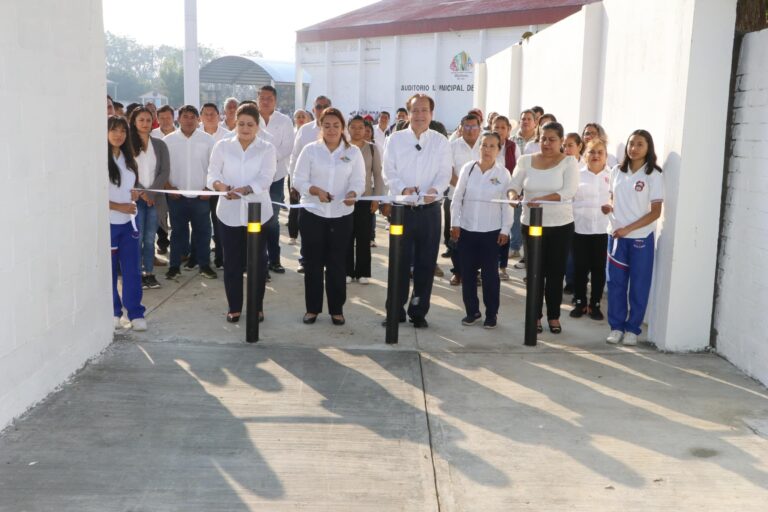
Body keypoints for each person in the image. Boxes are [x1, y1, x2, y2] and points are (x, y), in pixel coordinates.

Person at [382, 94, 452, 328]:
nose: (420, 115)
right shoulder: (395, 139)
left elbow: (444, 173)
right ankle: (395, 309)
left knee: (426, 263)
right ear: (408, 113)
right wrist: (403, 188)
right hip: (402, 210)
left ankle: (418, 311)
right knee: (399, 262)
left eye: (425, 110)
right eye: (415, 110)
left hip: (430, 211)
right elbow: (388, 171)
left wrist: (435, 189)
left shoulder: (441, 141)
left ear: (431, 114)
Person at [293, 108, 365, 325]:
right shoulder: (310, 150)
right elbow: (298, 180)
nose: (331, 130)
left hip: (341, 215)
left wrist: (354, 193)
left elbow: (359, 181)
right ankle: (312, 309)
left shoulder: (353, 152)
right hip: (313, 213)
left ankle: (337, 309)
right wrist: (315, 190)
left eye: (336, 125)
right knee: (313, 263)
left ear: (342, 127)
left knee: (337, 264)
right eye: (327, 125)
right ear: (320, 127)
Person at [208, 103, 276, 323]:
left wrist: (246, 189)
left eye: (250, 124)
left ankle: (257, 307)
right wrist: (221, 188)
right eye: (241, 124)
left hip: (258, 213)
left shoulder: (266, 148)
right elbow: (212, 174)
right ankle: (234, 307)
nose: (245, 128)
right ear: (235, 123)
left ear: (257, 126)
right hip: (228, 212)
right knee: (232, 263)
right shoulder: (222, 146)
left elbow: (267, 177)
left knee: (258, 263)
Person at [509, 122, 579, 334]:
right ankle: (535, 315)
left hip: (560, 226)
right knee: (535, 273)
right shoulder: (525, 160)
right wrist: (513, 196)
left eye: (552, 139)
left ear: (561, 141)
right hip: (531, 224)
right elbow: (514, 185)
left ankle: (554, 316)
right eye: (543, 139)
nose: (547, 143)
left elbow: (569, 191)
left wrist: (543, 199)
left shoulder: (569, 162)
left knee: (555, 274)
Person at [605, 130, 664, 346]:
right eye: (631, 143)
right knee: (616, 284)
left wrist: (629, 229)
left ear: (648, 148)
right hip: (617, 236)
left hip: (640, 237)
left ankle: (632, 329)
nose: (634, 148)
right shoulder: (616, 172)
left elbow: (655, 212)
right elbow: (613, 199)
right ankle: (616, 327)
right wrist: (608, 208)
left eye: (640, 144)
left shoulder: (654, 175)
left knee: (639, 285)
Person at [450, 132, 513, 329]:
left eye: (492, 146)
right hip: (467, 231)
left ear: (498, 149)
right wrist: (455, 223)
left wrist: (505, 229)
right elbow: (457, 197)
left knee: (490, 277)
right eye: (484, 145)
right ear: (479, 147)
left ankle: (491, 314)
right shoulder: (468, 169)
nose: (487, 149)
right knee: (467, 274)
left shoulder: (503, 174)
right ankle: (472, 311)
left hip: (491, 232)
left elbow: (507, 204)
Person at [163, 105, 216, 280]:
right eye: (185, 116)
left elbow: (215, 167)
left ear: (198, 119)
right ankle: (174, 266)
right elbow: (162, 168)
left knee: (203, 231)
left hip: (201, 195)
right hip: (176, 196)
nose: (189, 120)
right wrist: (169, 188)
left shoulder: (208, 140)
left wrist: (209, 189)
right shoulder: (168, 140)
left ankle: (204, 265)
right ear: (179, 119)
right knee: (178, 232)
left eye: (193, 116)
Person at [107, 115, 147, 331]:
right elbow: (93, 196)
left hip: (130, 223)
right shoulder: (100, 160)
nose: (118, 135)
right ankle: (113, 312)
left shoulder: (129, 158)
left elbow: (131, 186)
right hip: (109, 224)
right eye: (113, 130)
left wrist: (135, 194)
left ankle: (135, 312)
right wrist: (117, 206)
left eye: (122, 130)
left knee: (132, 269)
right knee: (110, 270)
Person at [289, 95, 333, 272]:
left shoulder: (339, 128)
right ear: (313, 110)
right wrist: (294, 183)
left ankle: (326, 261)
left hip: (331, 187)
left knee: (329, 227)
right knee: (307, 226)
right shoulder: (305, 130)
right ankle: (305, 260)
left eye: (325, 106)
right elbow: (295, 156)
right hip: (307, 187)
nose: (321, 109)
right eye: (318, 106)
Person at [128, 106, 170, 290]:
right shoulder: (127, 144)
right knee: (136, 238)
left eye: (148, 120)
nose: (145, 124)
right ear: (134, 122)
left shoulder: (160, 145)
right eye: (141, 120)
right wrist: (140, 191)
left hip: (154, 199)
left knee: (150, 237)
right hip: (135, 199)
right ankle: (137, 274)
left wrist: (151, 192)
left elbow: (164, 171)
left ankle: (150, 274)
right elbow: (126, 171)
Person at [570, 139, 611, 321]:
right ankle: (580, 302)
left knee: (599, 269)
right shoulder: (576, 175)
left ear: (605, 156)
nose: (595, 155)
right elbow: (569, 199)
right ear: (585, 155)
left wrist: (611, 206)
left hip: (603, 230)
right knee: (580, 268)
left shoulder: (613, 175)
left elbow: (617, 199)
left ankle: (595, 304)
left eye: (600, 152)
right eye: (592, 152)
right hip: (580, 229)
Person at [256, 86, 295, 276]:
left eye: (269, 98)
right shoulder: (251, 118)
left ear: (275, 100)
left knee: (271, 219)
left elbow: (288, 146)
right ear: (257, 99)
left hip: (276, 177)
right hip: (253, 178)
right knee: (254, 219)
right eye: (262, 98)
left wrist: (269, 158)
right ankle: (257, 260)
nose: (265, 101)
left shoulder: (284, 120)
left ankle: (274, 260)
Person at [346, 116, 384, 284]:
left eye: (360, 127)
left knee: (363, 237)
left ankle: (363, 272)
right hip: (345, 199)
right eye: (353, 127)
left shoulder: (373, 149)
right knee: (346, 236)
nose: (357, 130)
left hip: (366, 198)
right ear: (348, 129)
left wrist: (377, 198)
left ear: (366, 130)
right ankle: (347, 271)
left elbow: (378, 175)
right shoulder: (342, 148)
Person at [447, 113, 482, 285]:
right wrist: (464, 189)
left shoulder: (486, 145)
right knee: (455, 236)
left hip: (480, 200)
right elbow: (448, 172)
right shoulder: (452, 146)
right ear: (461, 128)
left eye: (473, 126)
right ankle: (458, 271)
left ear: (479, 128)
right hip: (455, 197)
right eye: (466, 126)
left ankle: (474, 272)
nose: (470, 130)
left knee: (476, 236)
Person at [199, 103, 232, 269]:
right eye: (206, 114)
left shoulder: (228, 136)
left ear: (220, 116)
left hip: (219, 188)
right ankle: (199, 258)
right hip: (198, 188)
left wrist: (216, 185)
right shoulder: (195, 134)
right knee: (200, 226)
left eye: (213, 114)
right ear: (201, 116)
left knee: (219, 224)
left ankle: (221, 257)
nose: (210, 117)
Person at [491, 115, 521, 279]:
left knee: (505, 229)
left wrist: (515, 192)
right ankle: (488, 265)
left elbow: (518, 170)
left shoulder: (513, 147)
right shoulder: (486, 143)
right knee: (490, 230)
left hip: (506, 193)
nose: (499, 130)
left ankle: (502, 267)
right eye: (497, 127)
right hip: (489, 194)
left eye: (503, 127)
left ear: (509, 130)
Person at [562, 132, 585, 294]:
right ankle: (569, 280)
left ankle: (576, 281)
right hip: (563, 215)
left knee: (577, 252)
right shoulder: (560, 164)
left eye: (570, 145)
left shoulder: (585, 166)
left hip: (581, 216)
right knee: (567, 251)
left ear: (579, 147)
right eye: (564, 145)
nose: (567, 149)